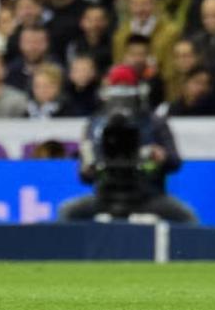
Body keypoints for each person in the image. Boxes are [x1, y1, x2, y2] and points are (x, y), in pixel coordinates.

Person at [58, 65, 197, 224]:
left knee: (187, 217)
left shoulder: (155, 122)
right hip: (106, 196)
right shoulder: (95, 123)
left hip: (147, 195)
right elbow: (84, 176)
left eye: (126, 90)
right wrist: (88, 167)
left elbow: (175, 162)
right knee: (67, 212)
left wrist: (161, 156)